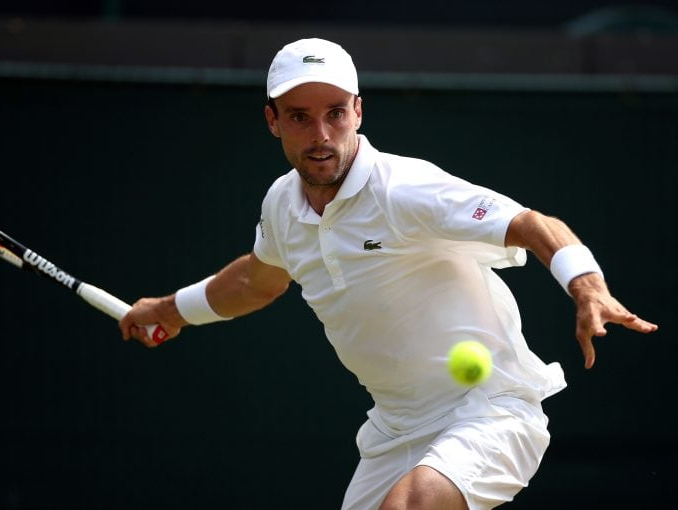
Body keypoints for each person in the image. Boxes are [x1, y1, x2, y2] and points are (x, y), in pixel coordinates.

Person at [119, 38, 658, 510]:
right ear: (272, 120)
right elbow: (254, 282)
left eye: (335, 112)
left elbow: (531, 223)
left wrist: (588, 287)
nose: (321, 134)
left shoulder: (404, 189)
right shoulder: (282, 205)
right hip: (395, 427)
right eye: (300, 116)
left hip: (490, 411)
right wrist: (167, 311)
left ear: (358, 111)